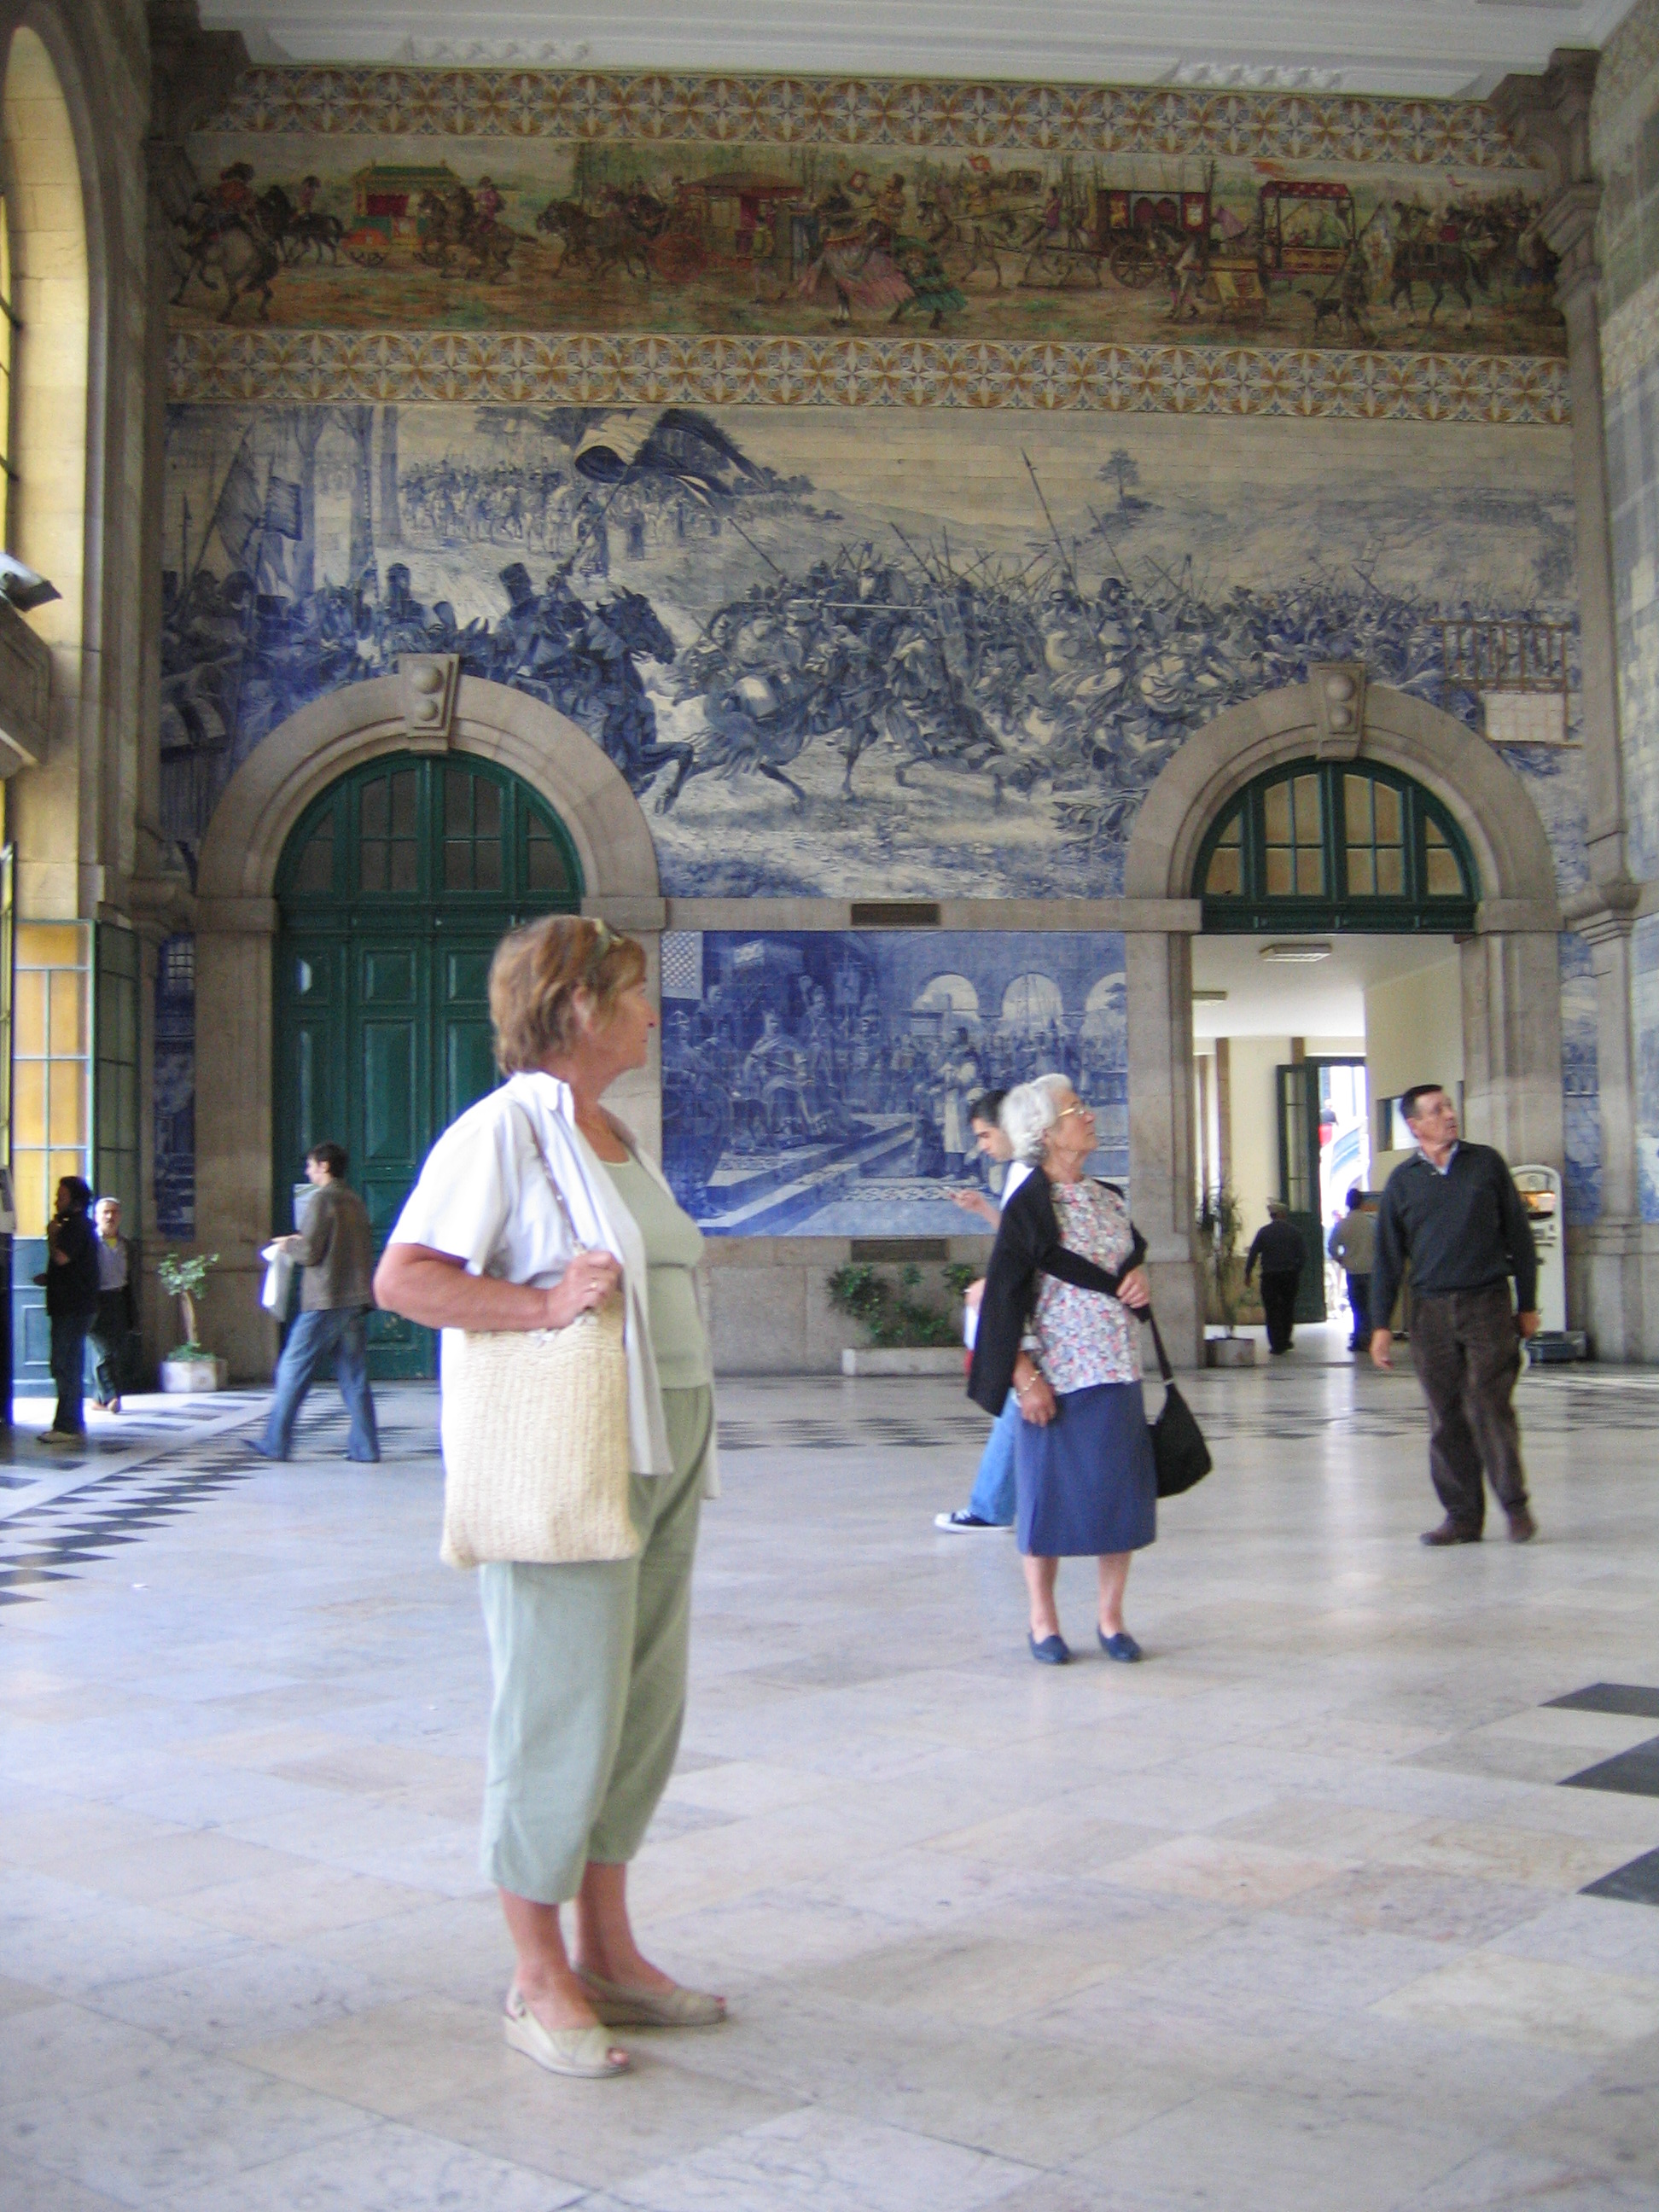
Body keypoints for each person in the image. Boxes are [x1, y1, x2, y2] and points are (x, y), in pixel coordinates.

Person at [375, 916, 725, 2083]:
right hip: (573, 1452)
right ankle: (536, 1976)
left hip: (664, 1441)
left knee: (638, 1705)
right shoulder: (504, 1130)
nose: (652, 1014)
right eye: (634, 994)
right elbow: (406, 1276)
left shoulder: (608, 1130)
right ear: (578, 1006)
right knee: (560, 1703)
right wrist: (539, 1307)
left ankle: (609, 1949)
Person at [969, 1074, 1155, 1665]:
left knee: (1117, 1499)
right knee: (1046, 1501)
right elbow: (1003, 1297)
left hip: (1115, 1369)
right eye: (1078, 1111)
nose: (1091, 1117)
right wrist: (1023, 1376)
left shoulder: (1107, 1197)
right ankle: (1043, 1620)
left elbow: (1125, 1264)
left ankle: (1110, 1617)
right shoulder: (1028, 1206)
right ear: (1047, 1134)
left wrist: (1137, 1280)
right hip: (1056, 1379)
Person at [1369, 1084, 1540, 1546]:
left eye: (1449, 1106)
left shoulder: (1485, 1164)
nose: (1449, 1114)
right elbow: (1387, 1257)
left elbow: (1520, 1238)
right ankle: (1462, 1516)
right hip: (1430, 1312)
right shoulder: (1403, 1182)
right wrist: (1381, 1325)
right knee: (1445, 1415)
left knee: (1489, 1403)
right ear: (1415, 1125)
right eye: (1437, 1110)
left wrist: (1527, 1304)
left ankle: (1515, 1505)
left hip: (1487, 1304)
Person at [936, 1090, 1033, 1534]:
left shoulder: (1033, 1173)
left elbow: (1034, 1250)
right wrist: (985, 1211)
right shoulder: (1018, 1173)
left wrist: (993, 1284)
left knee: (1020, 1404)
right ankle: (995, 1505)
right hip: (1028, 1309)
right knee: (1020, 1406)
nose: (982, 1146)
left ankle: (992, 1508)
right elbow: (1018, 1238)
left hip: (1037, 1314)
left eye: (985, 1135)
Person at [251, 1141, 380, 1464]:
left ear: (324, 1166)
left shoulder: (322, 1200)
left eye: (311, 1165)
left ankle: (276, 1441)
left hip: (326, 1299)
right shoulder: (355, 1200)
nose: (308, 1171)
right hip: (355, 1298)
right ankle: (366, 1447)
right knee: (354, 1376)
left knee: (292, 1368)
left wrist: (287, 1244)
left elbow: (310, 1252)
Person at [38, 1177, 99, 1445]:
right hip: (72, 1305)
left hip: (73, 1309)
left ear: (74, 1202)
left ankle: (67, 1424)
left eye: (61, 1197)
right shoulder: (79, 1227)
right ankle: (72, 1422)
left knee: (65, 1365)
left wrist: (52, 1235)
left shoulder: (75, 1227)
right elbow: (71, 1268)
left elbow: (62, 1257)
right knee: (67, 1364)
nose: (56, 1202)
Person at [90, 1196, 137, 1413]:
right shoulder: (90, 1243)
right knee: (104, 1352)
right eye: (105, 1212)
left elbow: (130, 1276)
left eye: (114, 1212)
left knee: (115, 1351)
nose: (110, 1216)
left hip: (118, 1300)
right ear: (96, 1217)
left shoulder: (126, 1244)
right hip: (96, 1301)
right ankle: (112, 1397)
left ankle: (98, 1399)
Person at [1244, 1201, 1305, 1354]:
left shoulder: (1263, 1232)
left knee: (1272, 1311)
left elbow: (1253, 1254)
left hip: (1270, 1276)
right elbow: (1303, 1255)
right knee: (1287, 1308)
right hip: (1289, 1275)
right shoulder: (1294, 1232)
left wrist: (1248, 1273)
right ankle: (1285, 1340)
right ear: (1283, 1214)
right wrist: (1296, 1270)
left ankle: (1276, 1344)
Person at [1327, 1186, 1377, 1354]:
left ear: (1347, 1203)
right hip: (1370, 1271)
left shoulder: (1343, 1225)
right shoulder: (1372, 1224)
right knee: (1369, 1307)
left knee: (1357, 1308)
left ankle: (1358, 1339)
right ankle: (1368, 1340)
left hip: (1353, 1271)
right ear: (1362, 1203)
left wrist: (1341, 1260)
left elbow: (1332, 1246)